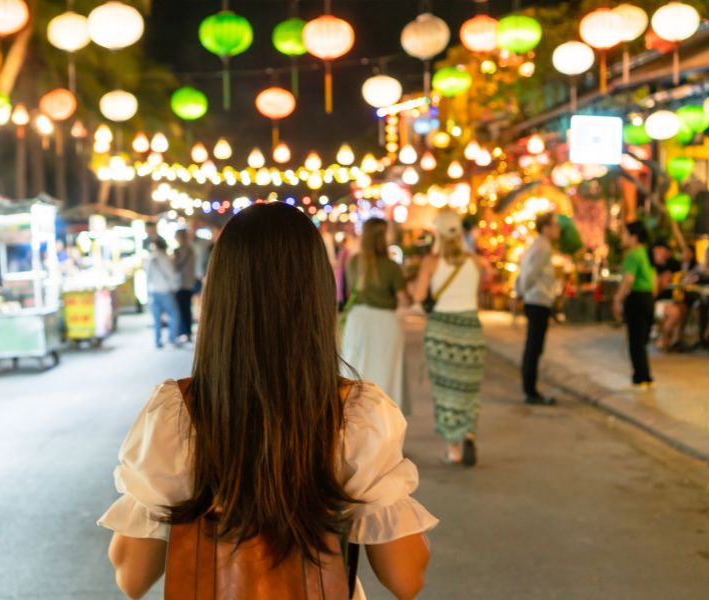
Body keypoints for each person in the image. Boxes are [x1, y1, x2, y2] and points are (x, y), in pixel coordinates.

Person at [99, 204, 436, 600]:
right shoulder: (356, 413)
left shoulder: (180, 412)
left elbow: (132, 577)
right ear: (317, 293)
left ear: (220, 293)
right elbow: (405, 578)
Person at [413, 209, 485, 466]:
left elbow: (419, 297)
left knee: (445, 390)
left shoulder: (431, 262)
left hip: (442, 331)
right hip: (471, 329)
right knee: (468, 389)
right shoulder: (475, 261)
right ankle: (469, 433)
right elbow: (475, 292)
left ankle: (453, 449)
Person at [341, 218, 409, 409]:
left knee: (356, 373)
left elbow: (347, 293)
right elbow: (404, 299)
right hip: (385, 322)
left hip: (357, 321)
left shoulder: (354, 262)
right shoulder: (391, 266)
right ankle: (384, 424)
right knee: (385, 376)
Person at [516, 212, 561, 405]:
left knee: (534, 346)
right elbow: (530, 274)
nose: (557, 230)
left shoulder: (540, 245)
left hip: (537, 299)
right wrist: (521, 293)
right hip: (537, 300)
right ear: (546, 227)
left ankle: (530, 389)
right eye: (555, 225)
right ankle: (530, 390)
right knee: (534, 346)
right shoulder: (542, 247)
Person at [613, 221, 656, 390]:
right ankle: (646, 376)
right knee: (642, 340)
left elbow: (628, 280)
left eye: (625, 234)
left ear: (634, 237)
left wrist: (617, 298)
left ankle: (640, 379)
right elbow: (654, 279)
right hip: (648, 298)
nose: (622, 237)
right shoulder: (647, 253)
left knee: (635, 341)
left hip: (637, 299)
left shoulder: (633, 254)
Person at [145, 238, 179, 349]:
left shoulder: (150, 259)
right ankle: (172, 338)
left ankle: (157, 340)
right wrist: (174, 287)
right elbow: (171, 274)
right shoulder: (165, 259)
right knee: (173, 314)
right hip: (165, 291)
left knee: (156, 318)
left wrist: (148, 293)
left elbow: (147, 277)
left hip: (154, 291)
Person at [173, 229, 197, 344]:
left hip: (180, 284)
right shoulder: (191, 249)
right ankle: (187, 332)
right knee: (187, 308)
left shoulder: (178, 251)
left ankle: (184, 332)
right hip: (189, 283)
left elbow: (175, 267)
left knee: (182, 309)